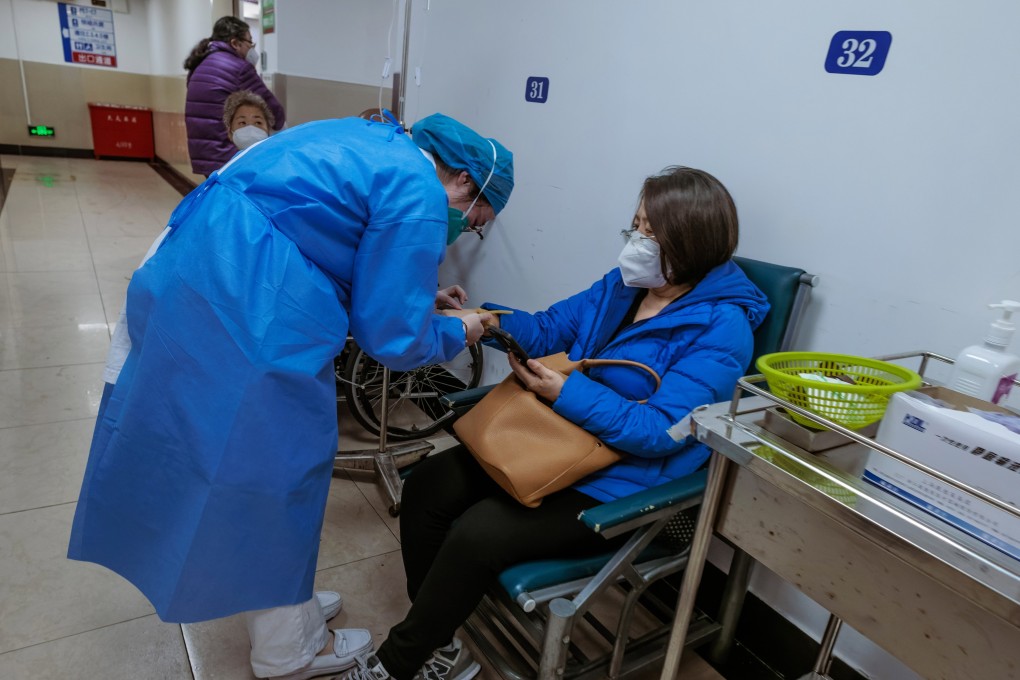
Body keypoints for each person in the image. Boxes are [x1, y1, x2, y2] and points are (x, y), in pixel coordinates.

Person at [67, 112, 514, 680]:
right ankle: (287, 652)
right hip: (247, 301)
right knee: (277, 476)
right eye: (477, 220)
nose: (466, 228)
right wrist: (463, 329)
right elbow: (392, 338)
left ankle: (287, 605)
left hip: (198, 269)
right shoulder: (422, 193)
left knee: (236, 466)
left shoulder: (377, 142)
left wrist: (421, 297)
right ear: (467, 184)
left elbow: (332, 232)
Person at [338, 166, 771, 680]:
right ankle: (439, 639)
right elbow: (548, 326)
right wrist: (488, 322)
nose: (636, 242)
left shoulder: (723, 327)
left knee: (478, 533)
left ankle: (399, 662)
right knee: (428, 486)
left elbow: (658, 431)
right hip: (559, 443)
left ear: (690, 242)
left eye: (651, 233)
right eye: (635, 226)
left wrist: (566, 392)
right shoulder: (625, 286)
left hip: (620, 478)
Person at [184, 16, 285, 176]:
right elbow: (275, 114)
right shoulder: (240, 68)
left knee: (220, 197)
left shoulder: (200, 63)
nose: (252, 49)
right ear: (235, 43)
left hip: (203, 153)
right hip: (226, 153)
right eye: (250, 43)